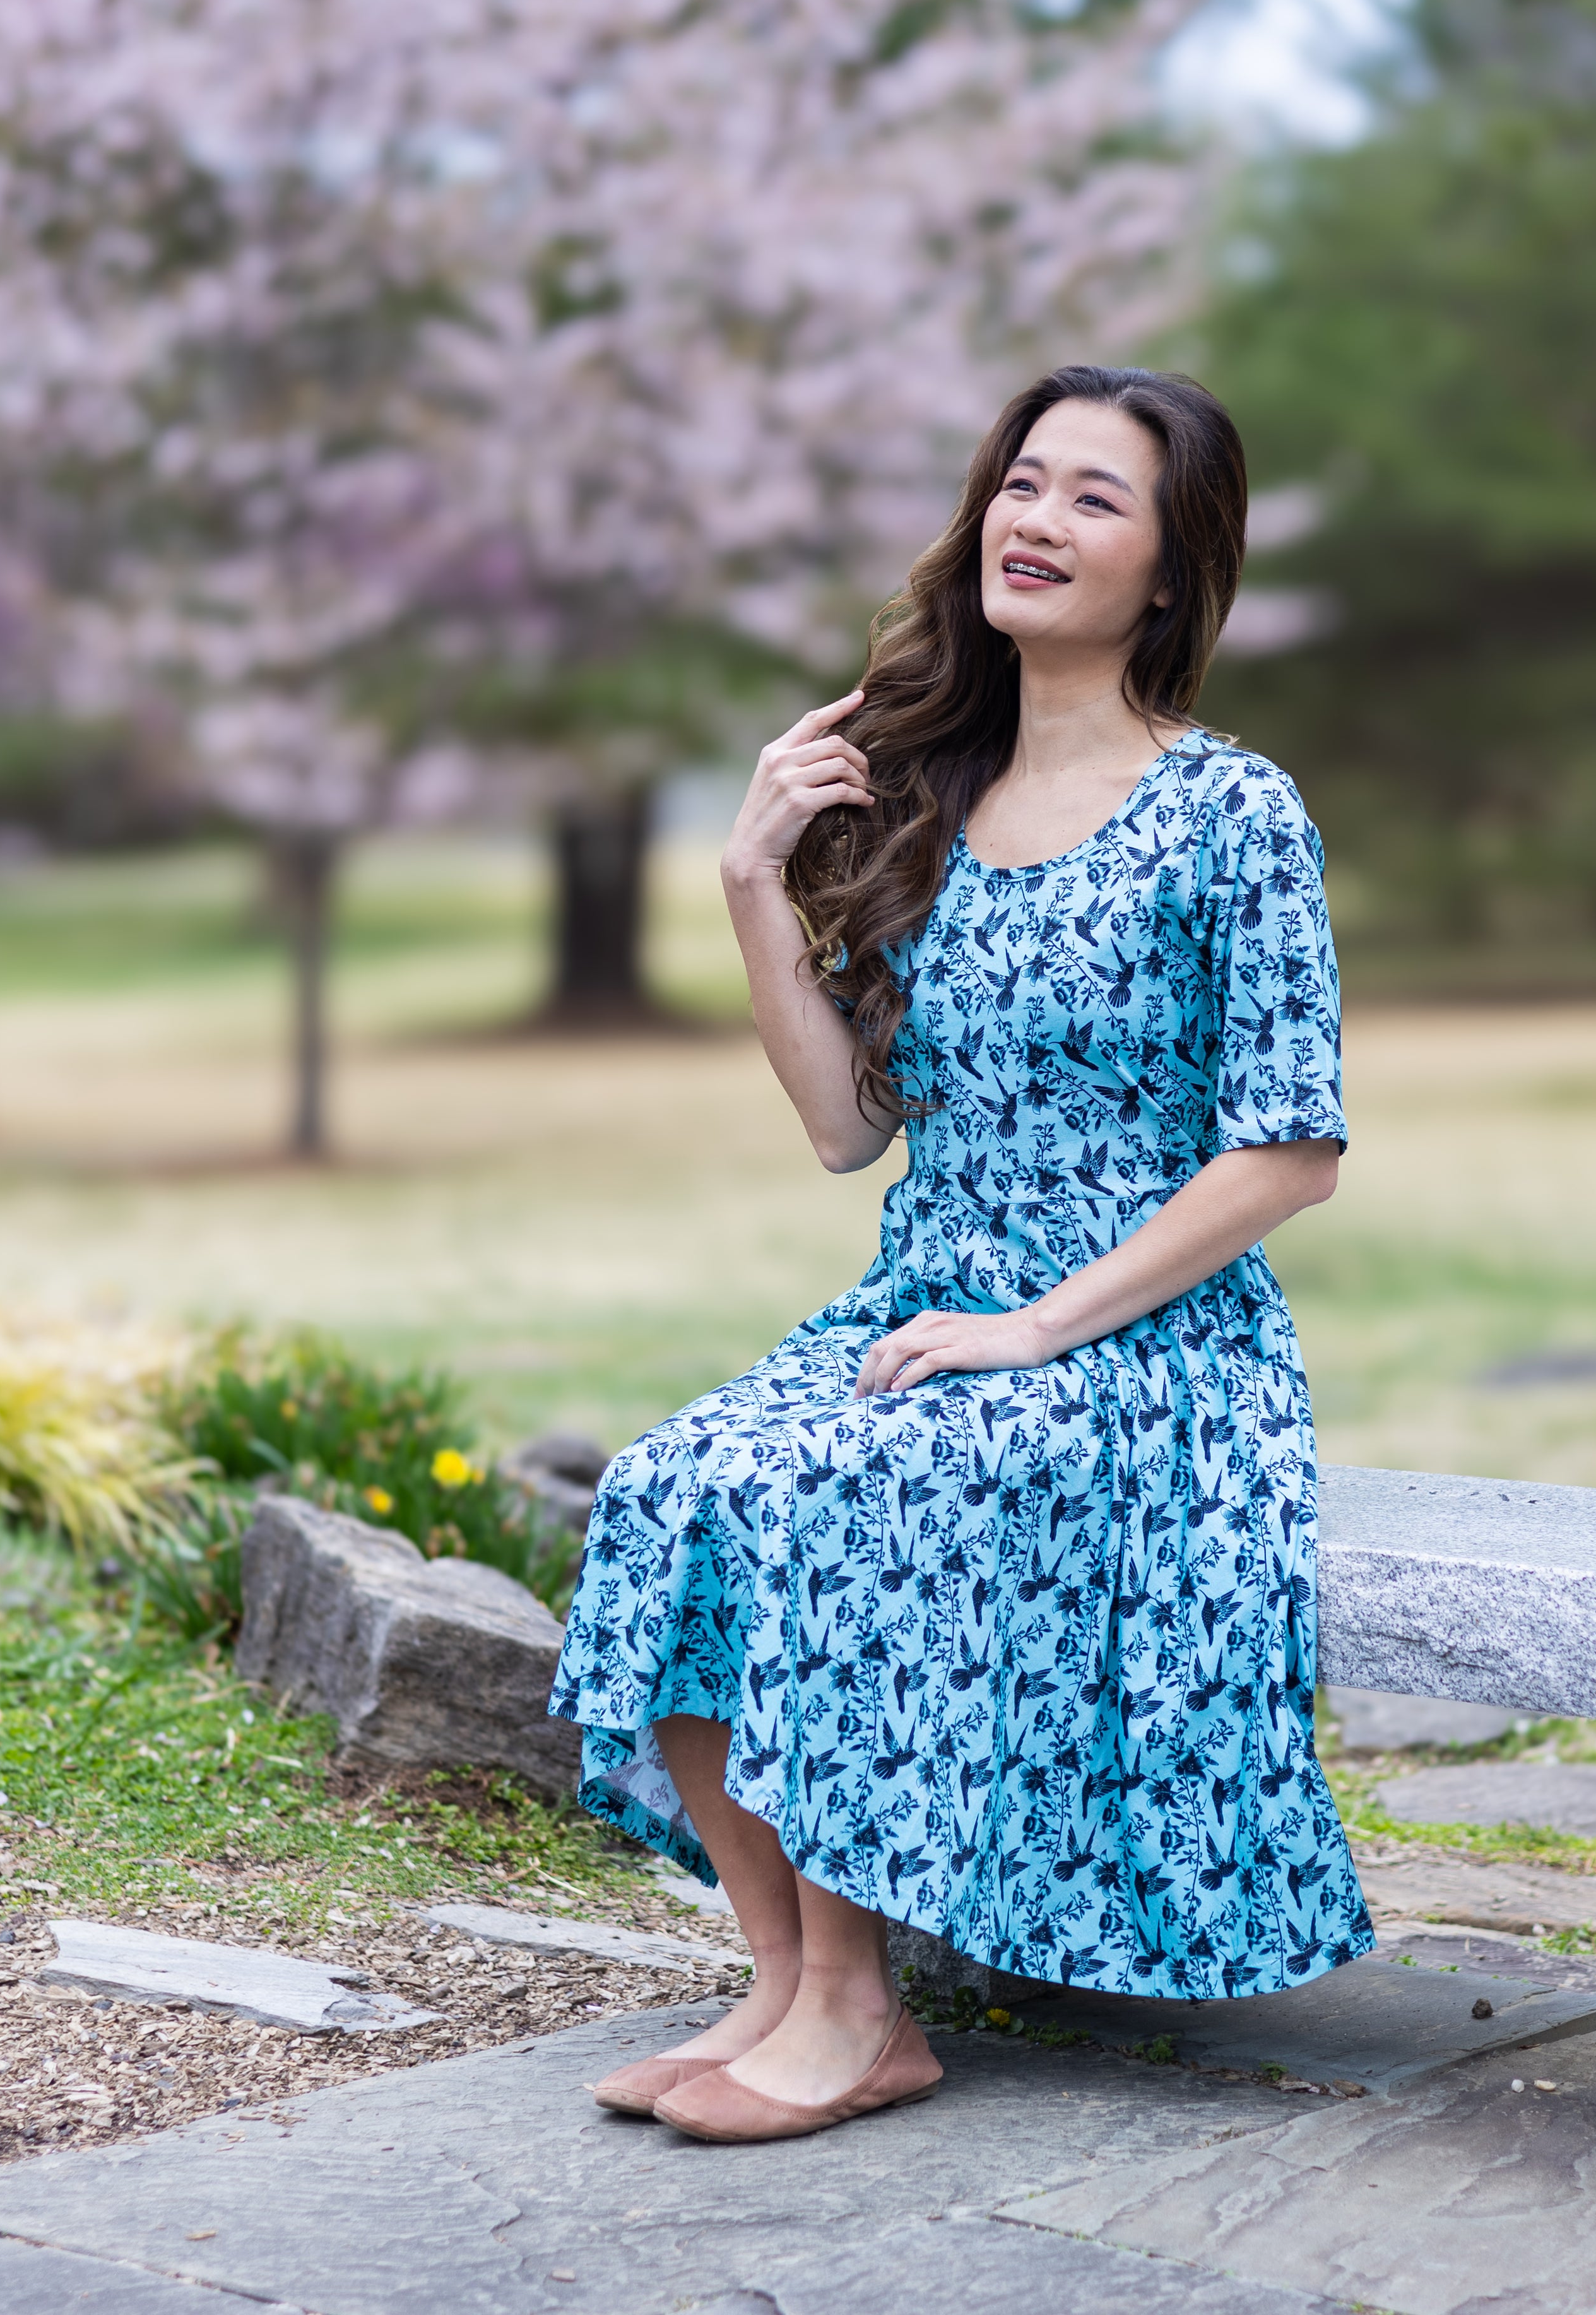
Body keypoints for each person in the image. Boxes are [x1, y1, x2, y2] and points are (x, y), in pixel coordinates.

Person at [547, 363, 1369, 2145]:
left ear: (1169, 573)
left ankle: (858, 2013)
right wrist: (757, 885)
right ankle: (786, 1984)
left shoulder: (1233, 811)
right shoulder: (927, 793)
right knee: (683, 1485)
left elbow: (1289, 1151)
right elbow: (852, 1129)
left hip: (1149, 1343)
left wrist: (1032, 1330)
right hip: (929, 1302)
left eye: (1095, 498)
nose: (1036, 518)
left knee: (852, 1489)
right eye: (1023, 480)